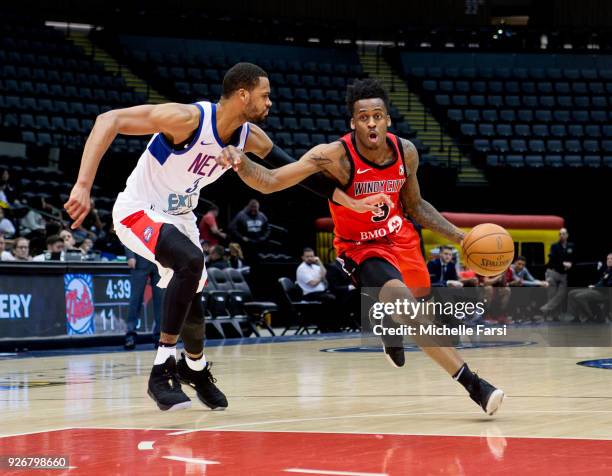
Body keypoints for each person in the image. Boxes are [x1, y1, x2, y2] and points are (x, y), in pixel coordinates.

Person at [64, 62, 378, 412]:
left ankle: (194, 368)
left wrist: (351, 201)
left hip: (180, 217)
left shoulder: (250, 138)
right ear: (243, 95)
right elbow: (109, 120)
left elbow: (295, 170)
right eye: (265, 95)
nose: (271, 102)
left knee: (193, 297)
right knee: (191, 261)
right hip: (138, 209)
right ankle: (161, 369)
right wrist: (82, 185)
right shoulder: (188, 119)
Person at [217, 78, 504, 415]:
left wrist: (461, 237)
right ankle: (475, 386)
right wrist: (240, 161)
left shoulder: (405, 152)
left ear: (388, 120)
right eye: (364, 117)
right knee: (408, 307)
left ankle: (385, 323)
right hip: (360, 248)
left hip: (399, 238)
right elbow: (270, 181)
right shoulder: (333, 156)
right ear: (353, 123)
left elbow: (415, 206)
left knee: (414, 301)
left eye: (378, 116)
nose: (371, 123)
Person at [124, 247, 163, 350]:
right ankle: (130, 335)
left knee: (161, 301)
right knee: (135, 299)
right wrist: (130, 256)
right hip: (140, 260)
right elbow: (128, 234)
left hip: (159, 261)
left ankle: (159, 336)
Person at [567, 253, 612, 322]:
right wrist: (595, 285)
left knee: (579, 297)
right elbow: (600, 281)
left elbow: (608, 285)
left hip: (603, 293)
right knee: (571, 293)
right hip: (596, 290)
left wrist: (595, 286)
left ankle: (590, 316)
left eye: (611, 259)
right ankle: (576, 316)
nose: (609, 260)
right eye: (608, 259)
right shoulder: (606, 270)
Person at [540, 228, 574, 318]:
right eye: (560, 234)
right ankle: (553, 315)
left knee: (561, 294)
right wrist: (563, 263)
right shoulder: (554, 246)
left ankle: (546, 309)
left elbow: (574, 257)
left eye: (563, 234)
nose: (561, 235)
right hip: (553, 272)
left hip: (563, 274)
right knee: (552, 294)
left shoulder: (571, 246)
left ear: (567, 235)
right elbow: (552, 259)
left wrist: (571, 263)